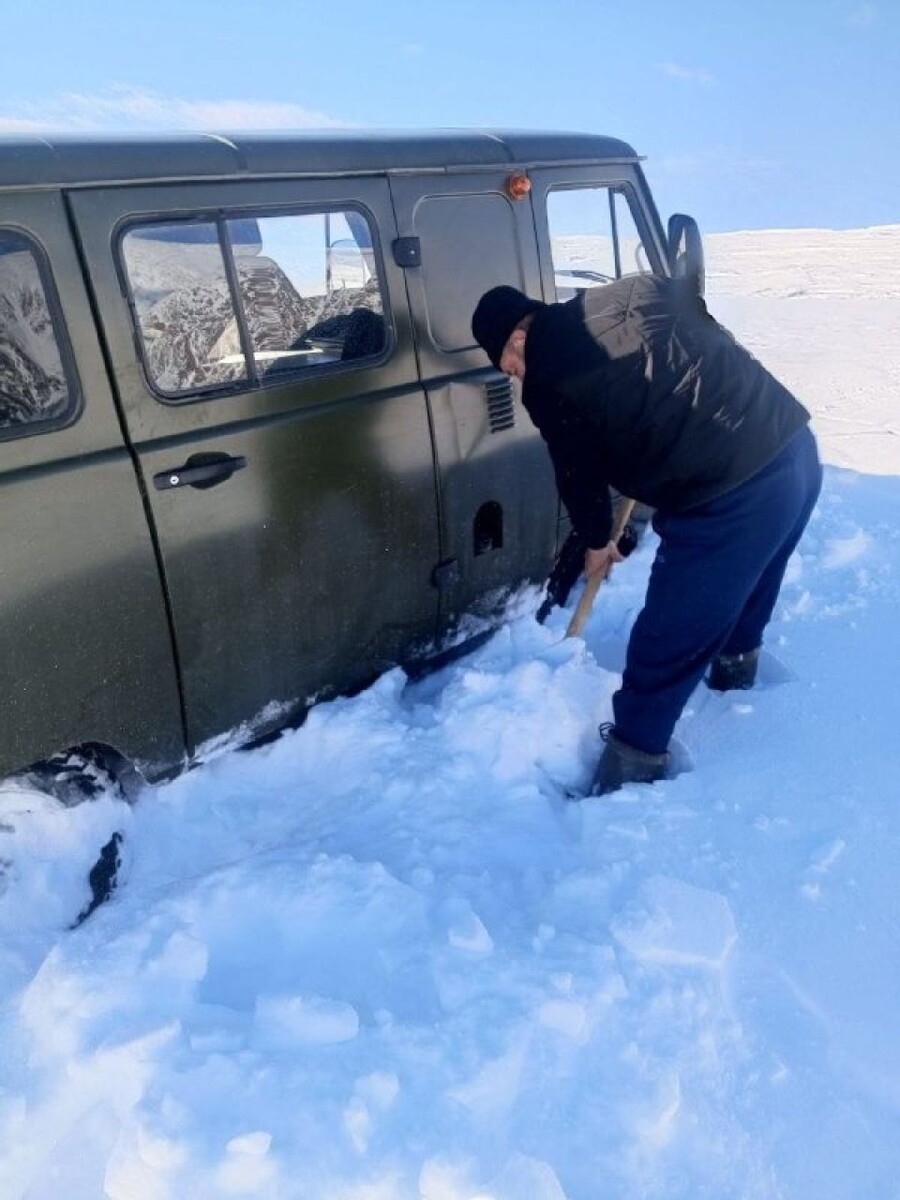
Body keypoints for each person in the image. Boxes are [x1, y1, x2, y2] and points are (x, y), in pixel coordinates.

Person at [471, 277, 822, 795]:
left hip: (728, 488)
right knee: (754, 578)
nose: (515, 375)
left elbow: (577, 474)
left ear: (518, 338)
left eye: (509, 365)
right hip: (791, 443)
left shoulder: (547, 376)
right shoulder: (632, 291)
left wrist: (596, 542)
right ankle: (734, 673)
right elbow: (692, 306)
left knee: (672, 628)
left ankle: (631, 765)